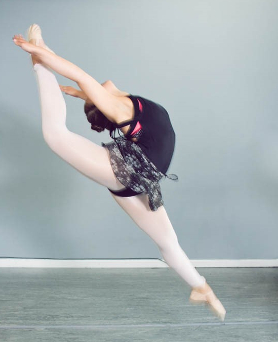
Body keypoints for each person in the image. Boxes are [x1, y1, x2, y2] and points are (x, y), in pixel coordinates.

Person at [12, 24, 226, 321]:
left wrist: (78, 93)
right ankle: (39, 67)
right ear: (99, 103)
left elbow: (84, 85)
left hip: (139, 181)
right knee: (55, 135)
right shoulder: (119, 108)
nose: (99, 86)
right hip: (128, 171)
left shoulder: (124, 99)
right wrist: (40, 51)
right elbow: (79, 75)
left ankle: (201, 288)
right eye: (94, 96)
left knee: (168, 243)